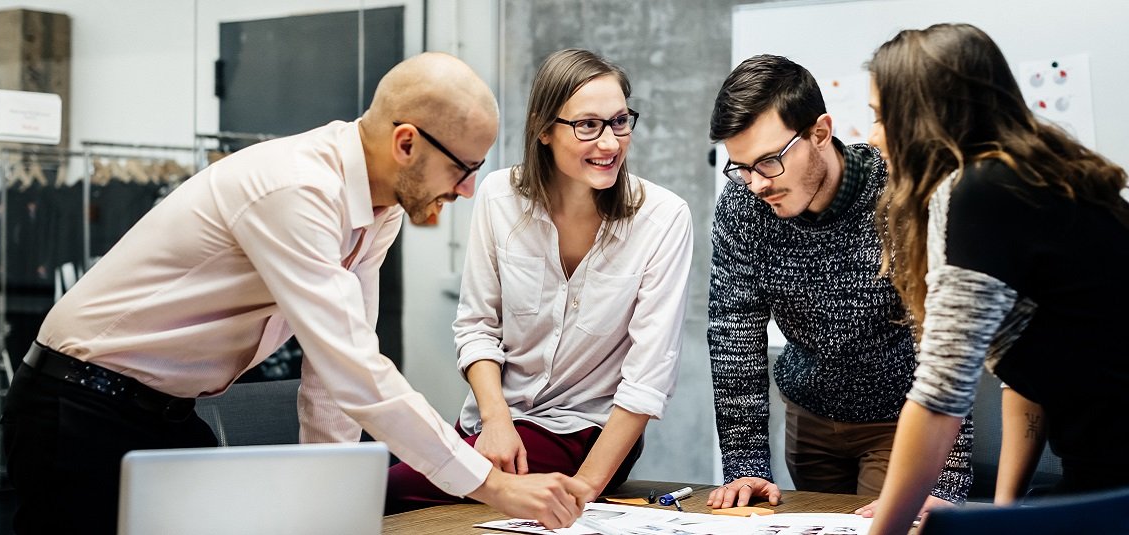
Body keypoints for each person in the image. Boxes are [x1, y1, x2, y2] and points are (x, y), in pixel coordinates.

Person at [0, 52, 591, 535]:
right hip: (77, 404)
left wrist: (324, 502)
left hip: (163, 411)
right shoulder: (297, 189)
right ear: (406, 143)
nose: (466, 191)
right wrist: (492, 485)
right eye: (462, 169)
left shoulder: (378, 212)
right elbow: (355, 367)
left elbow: (334, 379)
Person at [386, 48, 693, 513]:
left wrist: (587, 488)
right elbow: (477, 327)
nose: (610, 143)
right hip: (492, 424)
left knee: (383, 490)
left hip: (586, 434)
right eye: (588, 125)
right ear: (544, 129)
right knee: (378, 473)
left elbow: (648, 376)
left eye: (620, 121)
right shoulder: (498, 197)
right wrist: (495, 422)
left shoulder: (663, 217)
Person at [863, 23, 1129, 535]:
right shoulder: (1042, 178)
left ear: (923, 115)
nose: (873, 136)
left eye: (880, 116)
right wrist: (1004, 514)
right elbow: (1042, 360)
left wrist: (885, 532)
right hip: (1102, 476)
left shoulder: (979, 192)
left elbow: (939, 398)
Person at [704, 54, 973, 513]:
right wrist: (746, 462)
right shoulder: (744, 206)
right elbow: (734, 331)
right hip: (808, 416)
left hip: (900, 420)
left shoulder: (899, 196)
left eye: (768, 162)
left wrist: (946, 482)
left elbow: (943, 339)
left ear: (820, 133)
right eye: (741, 167)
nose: (754, 185)